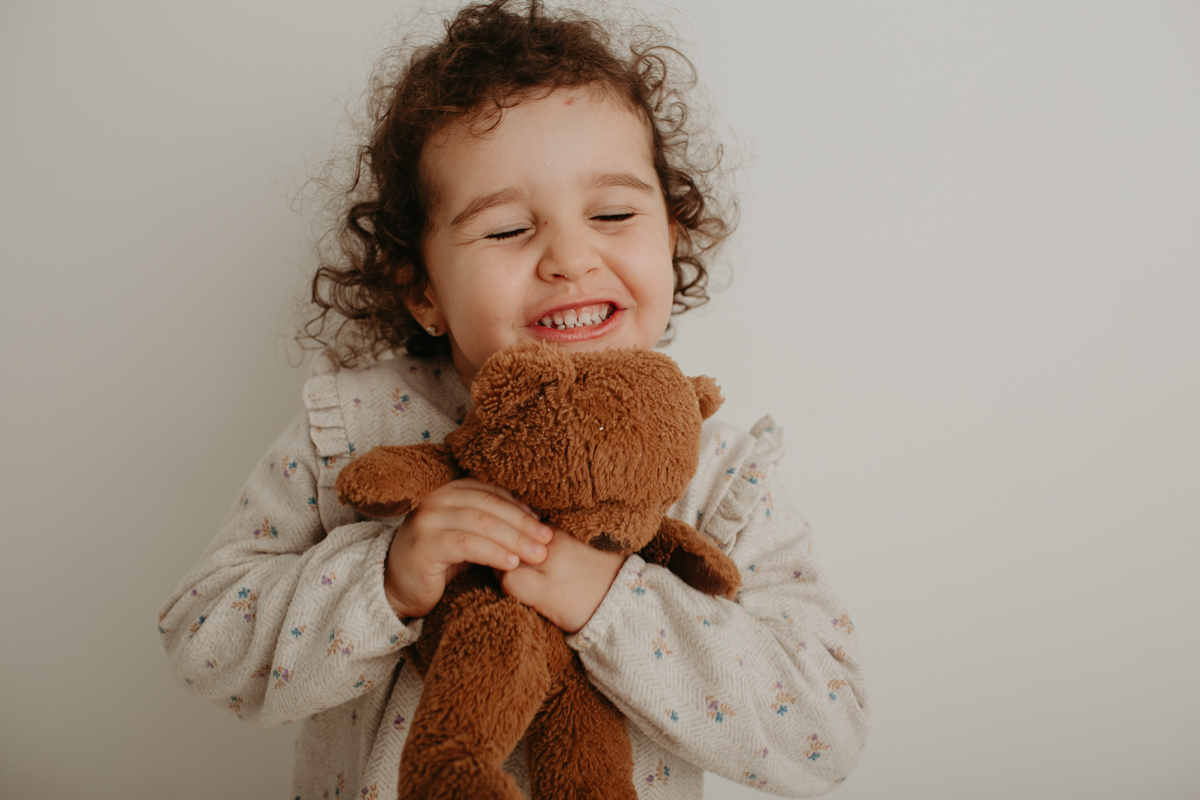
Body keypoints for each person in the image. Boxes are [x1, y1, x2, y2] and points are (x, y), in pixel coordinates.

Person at [158, 1, 869, 797]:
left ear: (671, 241)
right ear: (422, 290)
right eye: (504, 231)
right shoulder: (348, 433)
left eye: (613, 214)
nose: (570, 256)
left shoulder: (720, 476)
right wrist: (384, 579)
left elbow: (825, 728)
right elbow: (203, 640)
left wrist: (611, 602)